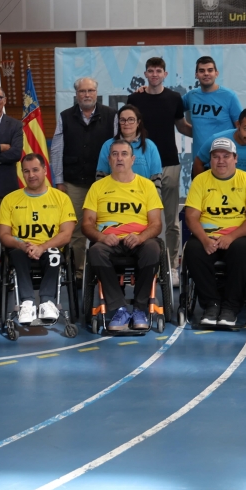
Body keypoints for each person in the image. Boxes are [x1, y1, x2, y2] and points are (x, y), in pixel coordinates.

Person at [82, 139, 165, 332]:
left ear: (132, 159)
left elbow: (156, 224)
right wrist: (102, 237)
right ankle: (119, 308)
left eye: (124, 154)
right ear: (109, 159)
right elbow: (86, 225)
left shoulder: (146, 186)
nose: (119, 158)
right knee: (95, 251)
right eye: (115, 154)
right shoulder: (97, 188)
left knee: (154, 248)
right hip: (109, 241)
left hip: (139, 240)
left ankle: (139, 309)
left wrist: (141, 237)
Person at [184, 137, 246, 327]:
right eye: (216, 157)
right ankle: (211, 304)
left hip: (239, 236)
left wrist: (231, 236)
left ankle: (231, 306)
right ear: (210, 160)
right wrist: (204, 239)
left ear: (235, 158)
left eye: (226, 156)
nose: (221, 161)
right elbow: (191, 217)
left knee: (240, 249)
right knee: (193, 250)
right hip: (209, 235)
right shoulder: (200, 181)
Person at [0, 154, 76, 325]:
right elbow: (3, 235)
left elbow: (66, 234)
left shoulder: (61, 198)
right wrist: (21, 244)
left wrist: (42, 247)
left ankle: (47, 301)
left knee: (54, 254)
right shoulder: (10, 200)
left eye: (35, 170)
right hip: (21, 248)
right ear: (22, 174)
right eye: (26, 171)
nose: (31, 175)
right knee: (16, 254)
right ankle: (27, 303)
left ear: (45, 171)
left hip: (50, 249)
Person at [127, 57, 189, 266]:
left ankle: (172, 263)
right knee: (142, 217)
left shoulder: (174, 98)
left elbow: (182, 127)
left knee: (171, 220)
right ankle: (143, 261)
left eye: (158, 71)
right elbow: (128, 130)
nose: (154, 74)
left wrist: (210, 134)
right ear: (145, 74)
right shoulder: (135, 99)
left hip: (169, 163)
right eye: (151, 71)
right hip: (141, 164)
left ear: (165, 74)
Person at [53, 77, 115, 273]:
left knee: (106, 227)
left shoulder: (111, 115)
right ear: (76, 94)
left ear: (96, 93)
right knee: (76, 231)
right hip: (74, 183)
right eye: (82, 91)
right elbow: (56, 150)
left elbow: (118, 149)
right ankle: (79, 272)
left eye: (90, 91)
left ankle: (106, 270)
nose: (86, 94)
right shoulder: (64, 116)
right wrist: (59, 180)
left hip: (104, 183)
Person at [182, 56, 242, 158]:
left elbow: (240, 128)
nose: (206, 73)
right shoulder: (191, 96)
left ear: (216, 73)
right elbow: (171, 106)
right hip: (199, 162)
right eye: (202, 71)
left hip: (223, 161)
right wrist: (149, 90)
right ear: (196, 75)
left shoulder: (229, 96)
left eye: (210, 70)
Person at [194, 107, 246, 184]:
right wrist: (202, 187)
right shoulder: (216, 140)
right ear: (238, 125)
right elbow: (198, 162)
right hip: (218, 189)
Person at [96, 104, 162, 182]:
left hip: (143, 193)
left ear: (138, 122)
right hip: (114, 193)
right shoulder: (107, 145)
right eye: (123, 120)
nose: (126, 123)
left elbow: (156, 178)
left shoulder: (150, 146)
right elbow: (101, 177)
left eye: (131, 119)